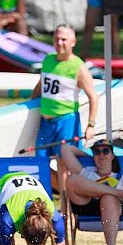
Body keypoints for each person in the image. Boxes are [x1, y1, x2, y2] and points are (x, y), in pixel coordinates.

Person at [61, 139, 123, 245]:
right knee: (72, 179)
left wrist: (120, 197)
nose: (101, 155)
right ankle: (117, 192)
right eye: (97, 152)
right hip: (88, 207)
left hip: (114, 210)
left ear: (112, 155)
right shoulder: (88, 174)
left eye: (106, 151)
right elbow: (65, 148)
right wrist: (89, 157)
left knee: (108, 198)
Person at [30, 24, 99, 161]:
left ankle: (65, 183)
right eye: (57, 39)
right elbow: (40, 85)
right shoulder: (48, 59)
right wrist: (30, 105)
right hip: (45, 122)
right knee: (41, 160)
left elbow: (93, 97)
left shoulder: (78, 67)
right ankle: (52, 183)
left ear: (73, 43)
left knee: (65, 162)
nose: (59, 43)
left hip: (66, 120)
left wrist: (90, 126)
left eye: (64, 40)